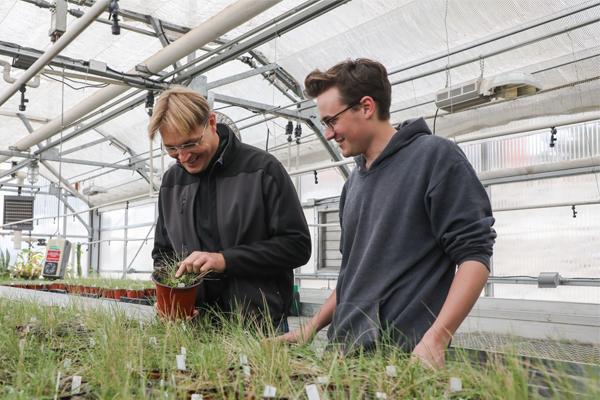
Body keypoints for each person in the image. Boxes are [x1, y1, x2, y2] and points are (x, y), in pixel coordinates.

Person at [280, 59, 496, 367]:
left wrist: (436, 338)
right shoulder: (353, 182)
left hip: (402, 356)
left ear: (366, 107)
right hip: (342, 353)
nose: (328, 134)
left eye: (331, 122)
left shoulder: (434, 157)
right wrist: (311, 327)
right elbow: (352, 275)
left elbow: (475, 256)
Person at [148, 86, 311, 332]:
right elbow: (163, 254)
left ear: (211, 122)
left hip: (259, 325)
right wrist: (174, 301)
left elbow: (296, 246)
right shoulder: (173, 182)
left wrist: (225, 260)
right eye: (171, 148)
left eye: (190, 143)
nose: (183, 157)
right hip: (195, 326)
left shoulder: (261, 170)